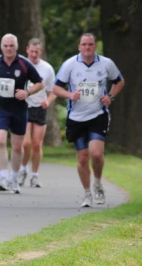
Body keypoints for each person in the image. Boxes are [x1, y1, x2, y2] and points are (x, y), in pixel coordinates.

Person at [52, 33, 124, 207]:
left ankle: (98, 184)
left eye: (90, 44)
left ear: (95, 46)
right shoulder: (70, 64)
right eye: (84, 44)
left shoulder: (106, 64)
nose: (87, 47)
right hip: (76, 118)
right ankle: (86, 194)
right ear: (79, 47)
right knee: (83, 158)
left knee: (96, 154)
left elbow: (119, 81)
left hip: (98, 115)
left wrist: (111, 97)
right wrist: (70, 95)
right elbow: (55, 88)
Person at [0, 34, 44, 193]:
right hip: (0, 108)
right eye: (6, 46)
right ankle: (3, 177)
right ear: (2, 47)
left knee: (17, 146)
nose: (8, 49)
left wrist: (27, 92)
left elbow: (40, 83)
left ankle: (14, 178)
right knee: (0, 141)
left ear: (16, 47)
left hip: (19, 109)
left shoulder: (24, 64)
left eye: (11, 46)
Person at [18, 38, 57, 188]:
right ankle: (23, 169)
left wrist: (48, 101)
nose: (34, 54)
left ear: (41, 51)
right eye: (31, 51)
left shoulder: (47, 69)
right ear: (27, 49)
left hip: (40, 108)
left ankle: (35, 175)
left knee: (36, 144)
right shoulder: (20, 65)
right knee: (26, 143)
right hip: (25, 107)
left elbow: (53, 91)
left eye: (37, 52)